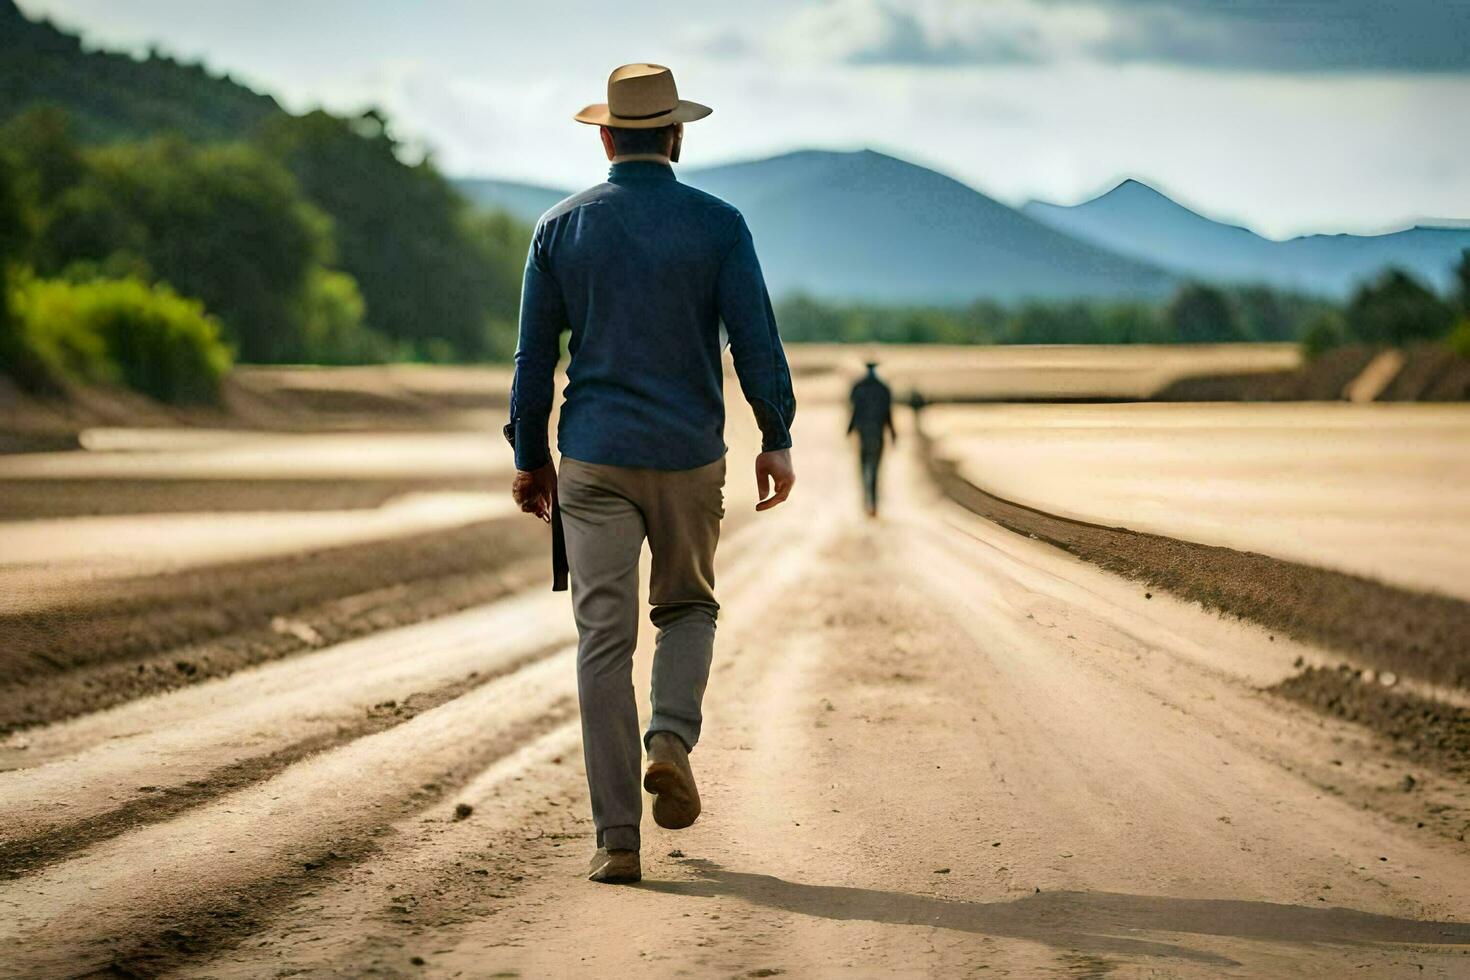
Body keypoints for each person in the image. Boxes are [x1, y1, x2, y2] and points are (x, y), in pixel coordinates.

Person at [505, 64, 797, 885]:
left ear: (604, 136)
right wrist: (776, 434)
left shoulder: (559, 228)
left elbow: (535, 358)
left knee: (603, 640)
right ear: (677, 135)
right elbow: (755, 340)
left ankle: (618, 842)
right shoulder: (718, 224)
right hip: (688, 455)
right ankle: (669, 735)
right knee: (688, 606)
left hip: (593, 457)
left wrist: (529, 456)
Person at [848, 361, 895, 516]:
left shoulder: (859, 387)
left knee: (864, 468)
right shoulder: (883, 388)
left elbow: (854, 411)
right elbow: (888, 414)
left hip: (864, 434)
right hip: (877, 435)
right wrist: (893, 432)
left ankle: (867, 501)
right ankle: (873, 503)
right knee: (875, 469)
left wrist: (849, 429)